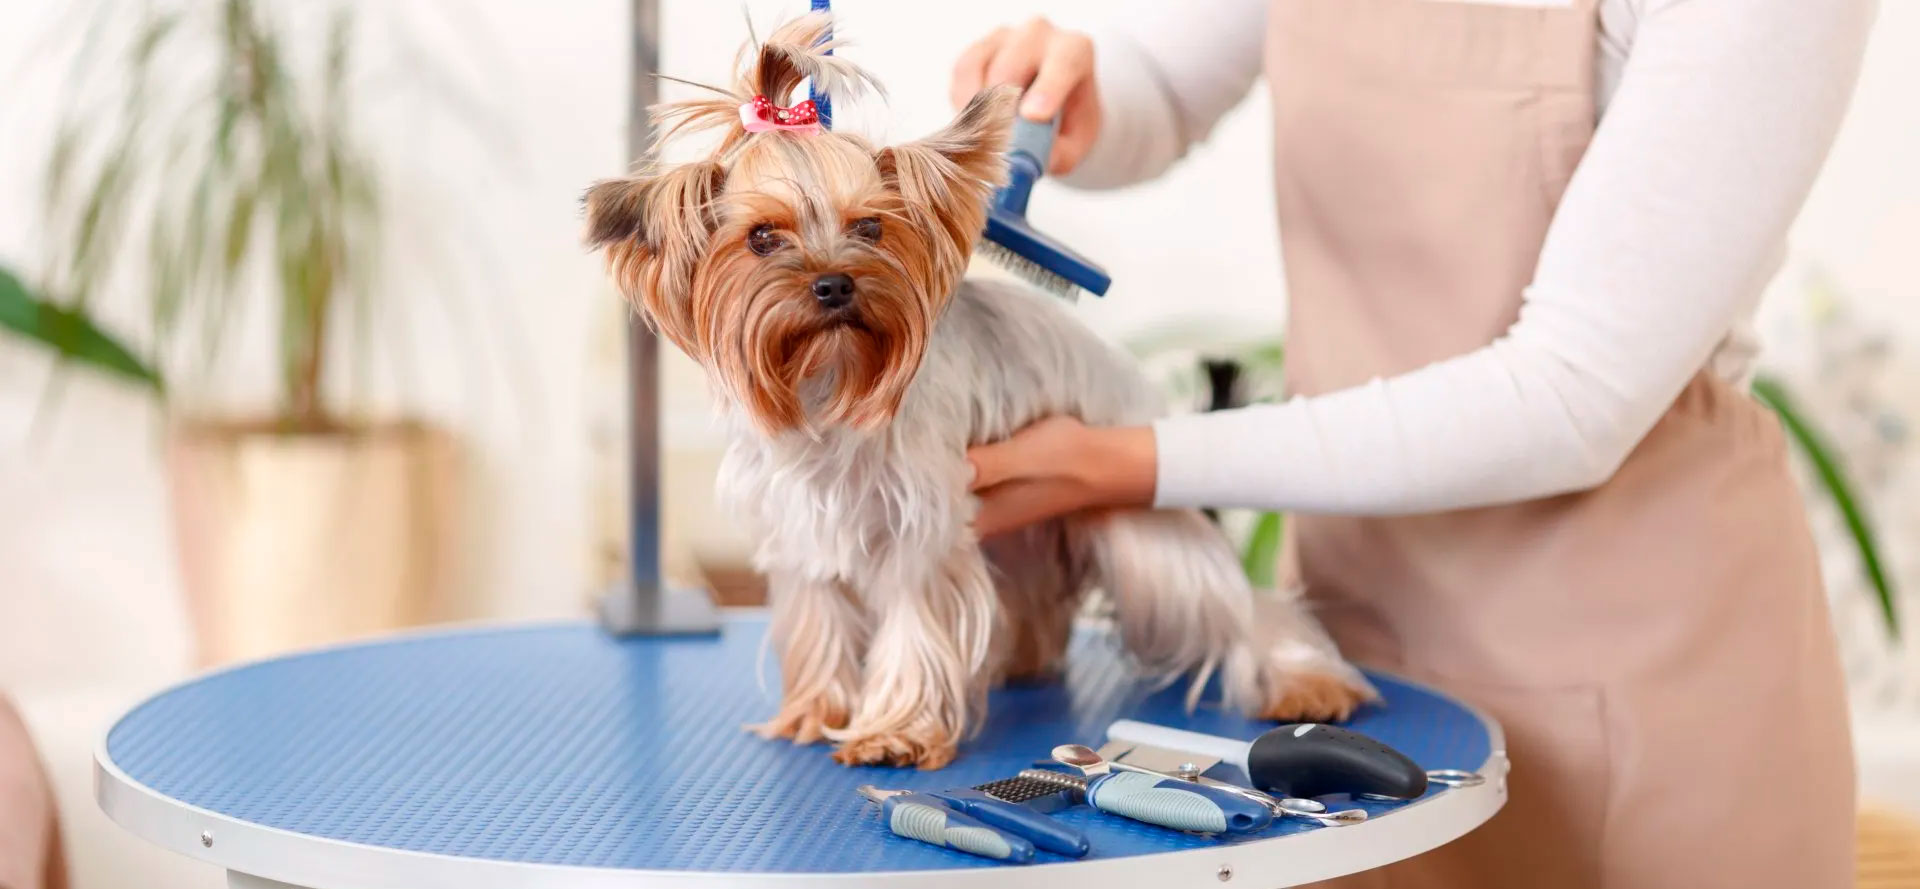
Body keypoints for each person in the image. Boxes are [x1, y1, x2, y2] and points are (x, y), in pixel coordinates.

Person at [952, 0, 1873, 886]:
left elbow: (1571, 398)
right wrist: (1080, 99)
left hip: (1641, 674)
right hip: (1353, 652)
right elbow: (1160, 85)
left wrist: (1119, 463)